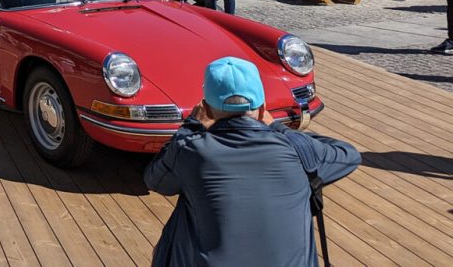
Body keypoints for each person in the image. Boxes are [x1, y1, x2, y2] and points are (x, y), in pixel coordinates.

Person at [145, 57, 361, 266]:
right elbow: (348, 155)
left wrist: (191, 126)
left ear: (207, 110)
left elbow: (156, 181)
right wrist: (279, 128)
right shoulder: (297, 150)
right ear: (262, 108)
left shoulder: (190, 151)